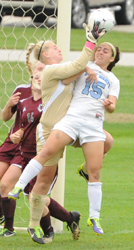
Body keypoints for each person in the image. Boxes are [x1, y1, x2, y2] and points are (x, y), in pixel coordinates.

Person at [8, 19, 112, 244]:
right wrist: (90, 42)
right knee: (42, 183)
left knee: (107, 140)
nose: (59, 48)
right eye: (54, 48)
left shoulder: (61, 70)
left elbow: (74, 73)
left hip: (71, 128)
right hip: (49, 131)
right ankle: (34, 225)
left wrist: (87, 68)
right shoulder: (50, 70)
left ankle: (86, 172)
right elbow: (74, 69)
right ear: (46, 55)